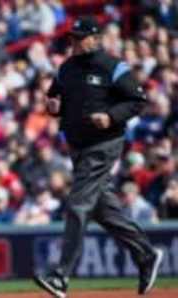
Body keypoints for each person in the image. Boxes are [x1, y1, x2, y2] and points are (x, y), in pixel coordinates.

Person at [33, 16, 163, 298]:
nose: (75, 43)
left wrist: (111, 116)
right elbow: (53, 98)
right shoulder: (66, 68)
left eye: (81, 38)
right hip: (78, 148)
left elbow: (137, 99)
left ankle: (60, 277)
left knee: (78, 205)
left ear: (95, 38)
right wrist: (53, 106)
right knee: (104, 211)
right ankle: (146, 255)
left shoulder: (112, 66)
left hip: (104, 145)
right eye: (73, 38)